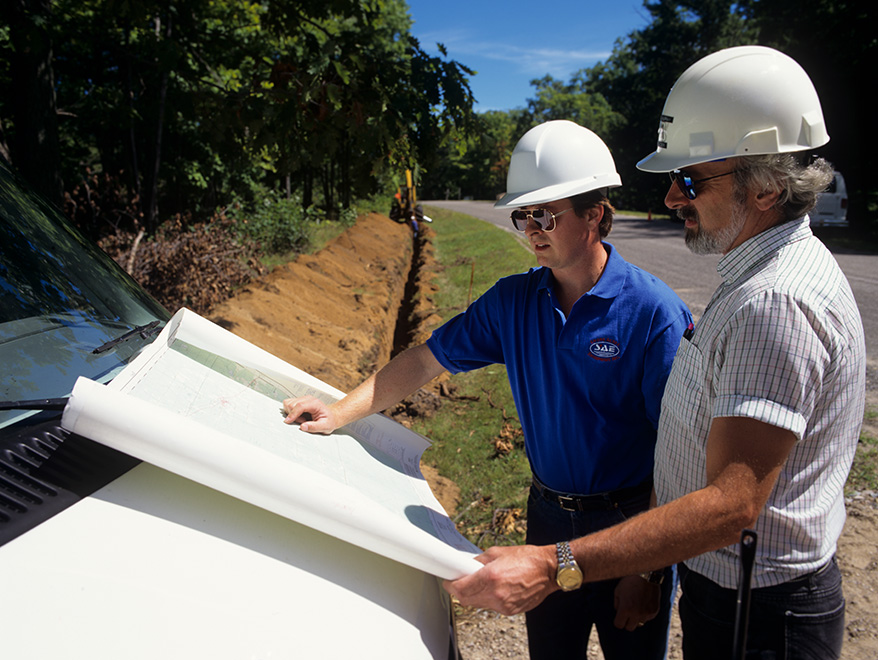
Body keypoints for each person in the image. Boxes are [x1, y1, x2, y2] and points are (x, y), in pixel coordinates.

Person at [443, 46, 866, 660]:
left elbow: (730, 506)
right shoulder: (759, 274)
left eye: (690, 178)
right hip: (734, 595)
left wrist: (555, 563)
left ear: (768, 185)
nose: (670, 197)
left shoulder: (773, 302)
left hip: (759, 617)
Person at [282, 119, 692, 659]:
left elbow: (676, 448)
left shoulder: (653, 312)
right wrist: (338, 412)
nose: (531, 230)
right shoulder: (512, 303)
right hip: (548, 520)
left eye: (545, 214)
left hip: (630, 524)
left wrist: (650, 572)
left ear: (595, 213)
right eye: (523, 216)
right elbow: (425, 360)